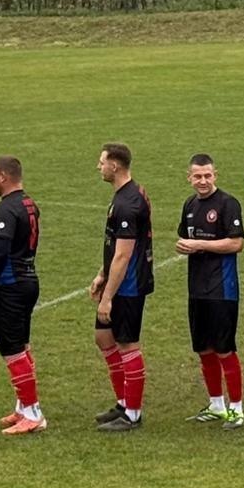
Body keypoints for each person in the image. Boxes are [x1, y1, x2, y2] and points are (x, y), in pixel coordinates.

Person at [175, 153, 244, 426]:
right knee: (203, 348)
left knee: (224, 349)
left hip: (222, 288)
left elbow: (236, 243)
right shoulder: (190, 204)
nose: (203, 181)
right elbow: (185, 237)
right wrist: (183, 245)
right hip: (197, 289)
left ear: (215, 175)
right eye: (197, 176)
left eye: (207, 175)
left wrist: (199, 245)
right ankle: (217, 405)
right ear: (189, 178)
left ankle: (236, 409)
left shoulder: (228, 204)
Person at [0, 156, 43, 436]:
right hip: (28, 279)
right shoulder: (29, 203)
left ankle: (33, 412)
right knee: (23, 345)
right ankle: (23, 406)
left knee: (12, 349)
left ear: (4, 177)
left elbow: (0, 251)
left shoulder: (6, 209)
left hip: (10, 285)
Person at [89, 142, 152, 432]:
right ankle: (123, 402)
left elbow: (124, 254)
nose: (99, 166)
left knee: (127, 344)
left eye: (102, 162)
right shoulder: (128, 194)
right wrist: (102, 274)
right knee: (104, 337)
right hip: (117, 281)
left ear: (114, 165)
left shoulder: (128, 203)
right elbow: (115, 247)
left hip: (128, 286)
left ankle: (133, 414)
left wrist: (108, 298)